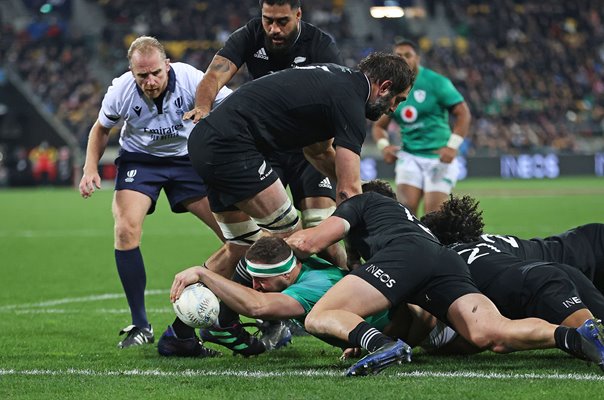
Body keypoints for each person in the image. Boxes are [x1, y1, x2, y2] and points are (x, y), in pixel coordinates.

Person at [183, 52, 414, 343]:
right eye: (397, 99)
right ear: (384, 86)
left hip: (209, 142)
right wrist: (357, 257)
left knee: (240, 246)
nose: (393, 108)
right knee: (293, 237)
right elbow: (348, 192)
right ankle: (281, 317)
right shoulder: (351, 101)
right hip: (231, 146)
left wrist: (363, 199)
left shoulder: (335, 81)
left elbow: (317, 152)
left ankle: (181, 333)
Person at [285, 180, 604, 376]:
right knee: (488, 333)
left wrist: (258, 250)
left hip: (408, 256)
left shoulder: (358, 203)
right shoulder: (403, 220)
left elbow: (307, 242)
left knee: (319, 315)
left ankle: (381, 346)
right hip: (442, 258)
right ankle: (573, 337)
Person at [78, 36, 232, 349]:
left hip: (188, 160)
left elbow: (232, 105)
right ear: (131, 73)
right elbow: (100, 129)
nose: (150, 82)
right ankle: (140, 324)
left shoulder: (191, 78)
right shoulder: (120, 90)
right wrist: (89, 169)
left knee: (234, 236)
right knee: (125, 231)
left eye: (156, 74)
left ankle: (243, 312)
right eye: (142, 76)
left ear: (167, 66)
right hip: (141, 161)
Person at [183, 0, 346, 267]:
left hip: (310, 150)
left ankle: (342, 294)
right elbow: (213, 75)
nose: (273, 29)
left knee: (323, 234)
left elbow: (336, 99)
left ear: (298, 15)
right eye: (267, 20)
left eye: (282, 21)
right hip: (266, 147)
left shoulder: (320, 45)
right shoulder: (249, 35)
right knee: (274, 239)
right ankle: (283, 301)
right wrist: (202, 106)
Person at [162, 236, 393, 357]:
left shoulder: (311, 288)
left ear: (285, 274)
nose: (255, 285)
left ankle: (223, 326)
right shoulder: (300, 264)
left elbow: (257, 307)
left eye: (262, 280)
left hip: (412, 333)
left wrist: (203, 274)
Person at [371, 39, 471, 216]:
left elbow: (463, 113)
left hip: (438, 157)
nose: (402, 59)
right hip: (409, 157)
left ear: (417, 58)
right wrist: (384, 147)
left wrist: (452, 147)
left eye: (407, 55)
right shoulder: (391, 88)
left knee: (434, 215)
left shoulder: (437, 82)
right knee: (406, 212)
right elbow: (379, 126)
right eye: (398, 56)